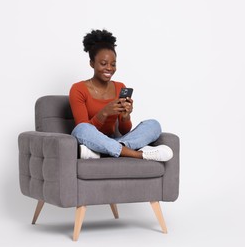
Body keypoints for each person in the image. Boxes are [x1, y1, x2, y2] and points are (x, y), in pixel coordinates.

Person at [69, 29, 173, 161]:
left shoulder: (120, 87)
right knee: (81, 129)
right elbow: (83, 128)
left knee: (153, 125)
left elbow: (125, 131)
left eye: (113, 64)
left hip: (115, 140)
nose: (109, 68)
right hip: (90, 140)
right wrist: (104, 113)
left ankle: (104, 152)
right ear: (92, 63)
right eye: (103, 64)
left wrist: (125, 117)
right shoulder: (78, 89)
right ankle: (138, 154)